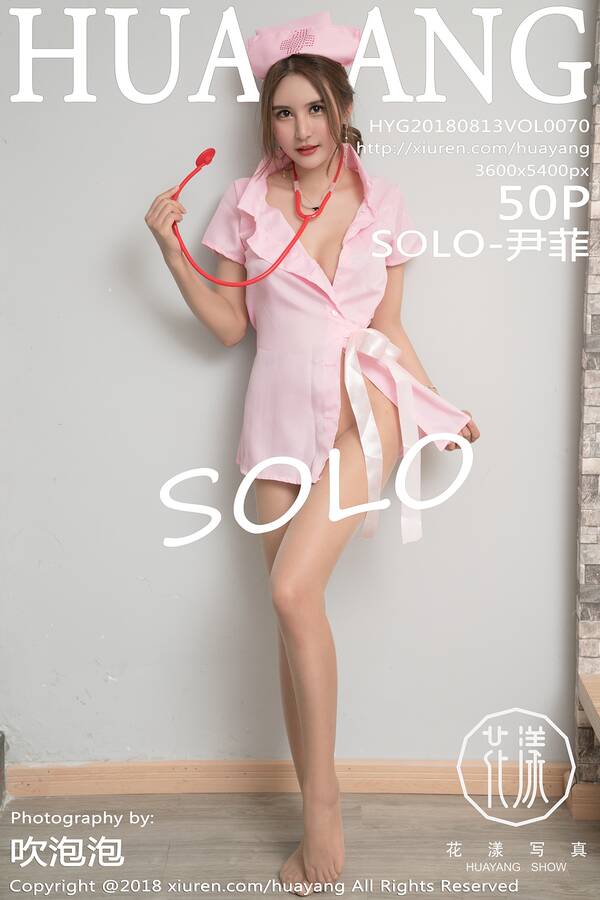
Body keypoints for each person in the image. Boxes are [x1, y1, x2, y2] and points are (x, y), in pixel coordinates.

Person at [145, 12, 480, 894]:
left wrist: (439, 408)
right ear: (269, 121)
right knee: (291, 618)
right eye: (284, 113)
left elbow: (390, 325)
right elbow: (230, 328)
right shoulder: (245, 204)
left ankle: (323, 813)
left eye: (316, 110)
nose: (301, 129)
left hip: (366, 411)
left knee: (291, 591)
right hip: (275, 427)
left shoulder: (382, 201)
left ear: (343, 110)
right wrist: (172, 253)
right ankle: (311, 801)